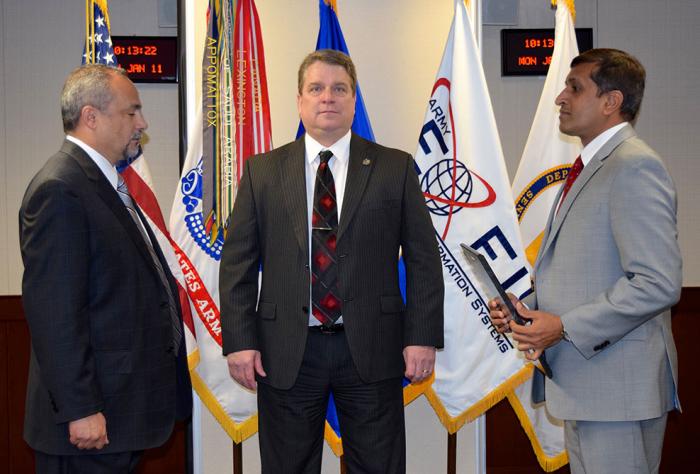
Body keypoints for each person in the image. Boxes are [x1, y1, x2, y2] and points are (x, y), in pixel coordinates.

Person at [220, 49, 444, 473]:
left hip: (373, 349)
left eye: (339, 88)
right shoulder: (263, 171)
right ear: (300, 100)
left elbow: (423, 261)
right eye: (316, 88)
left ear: (354, 100)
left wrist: (422, 337)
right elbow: (237, 265)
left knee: (379, 465)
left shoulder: (394, 167)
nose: (328, 97)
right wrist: (239, 340)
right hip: (285, 349)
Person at [489, 48, 682, 474]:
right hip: (588, 385)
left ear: (611, 102)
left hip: (618, 390)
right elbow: (583, 269)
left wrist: (564, 327)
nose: (561, 97)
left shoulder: (634, 167)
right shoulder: (588, 167)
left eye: (575, 88)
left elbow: (657, 282)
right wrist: (526, 309)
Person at [19, 64, 192, 473]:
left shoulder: (101, 183)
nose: (142, 123)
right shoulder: (60, 189)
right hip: (88, 424)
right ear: (90, 117)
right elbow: (55, 315)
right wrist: (80, 409)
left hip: (121, 411)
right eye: (132, 112)